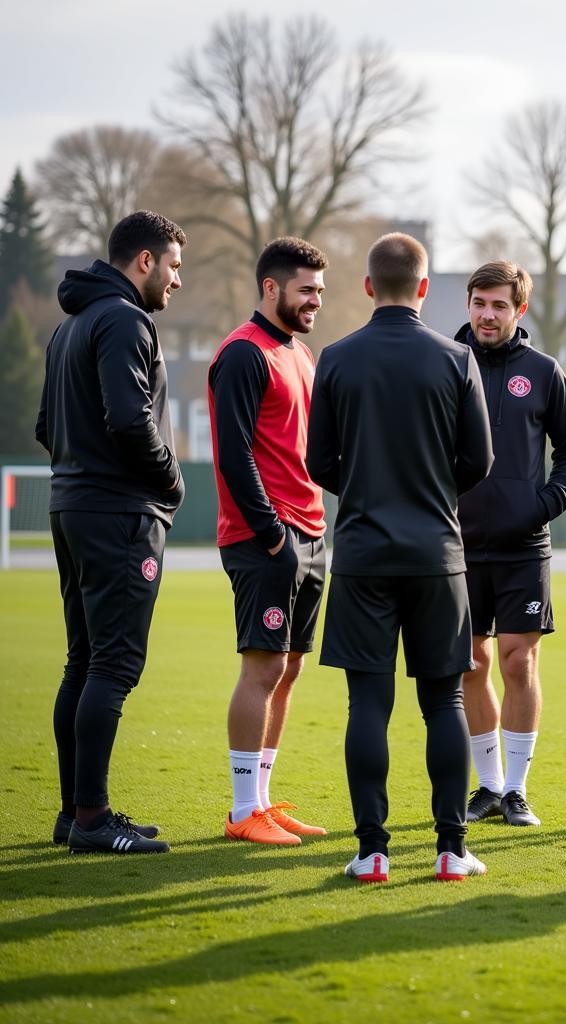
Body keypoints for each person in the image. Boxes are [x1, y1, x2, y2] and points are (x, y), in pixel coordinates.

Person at [307, 233, 494, 883]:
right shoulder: (455, 359)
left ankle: (372, 852)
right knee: (443, 703)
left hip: (361, 552)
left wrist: (365, 487)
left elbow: (317, 461)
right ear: (423, 288)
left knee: (368, 705)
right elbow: (480, 461)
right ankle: (450, 849)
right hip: (438, 554)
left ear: (366, 287)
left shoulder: (334, 358)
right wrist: (432, 489)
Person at [36, 210, 186, 854]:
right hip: (117, 514)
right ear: (145, 261)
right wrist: (172, 482)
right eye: (174, 266)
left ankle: (74, 813)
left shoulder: (70, 326)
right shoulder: (125, 320)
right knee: (115, 664)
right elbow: (131, 421)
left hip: (71, 505)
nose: (177, 280)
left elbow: (47, 427)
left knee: (85, 660)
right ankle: (94, 820)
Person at [455, 261, 566, 828]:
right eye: (480, 302)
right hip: (455, 545)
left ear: (519, 309)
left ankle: (516, 790)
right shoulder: (443, 362)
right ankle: (485, 788)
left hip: (523, 547)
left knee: (518, 660)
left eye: (499, 305)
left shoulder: (542, 371)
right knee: (470, 662)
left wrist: (544, 504)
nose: (488, 314)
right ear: (468, 303)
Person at [209, 237, 329, 847]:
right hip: (266, 537)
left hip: (310, 531)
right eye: (306, 289)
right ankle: (240, 811)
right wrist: (271, 533)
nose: (316, 300)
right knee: (262, 667)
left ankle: (261, 800)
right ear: (271, 287)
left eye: (320, 291)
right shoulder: (241, 354)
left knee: (288, 669)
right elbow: (233, 455)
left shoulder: (301, 354)